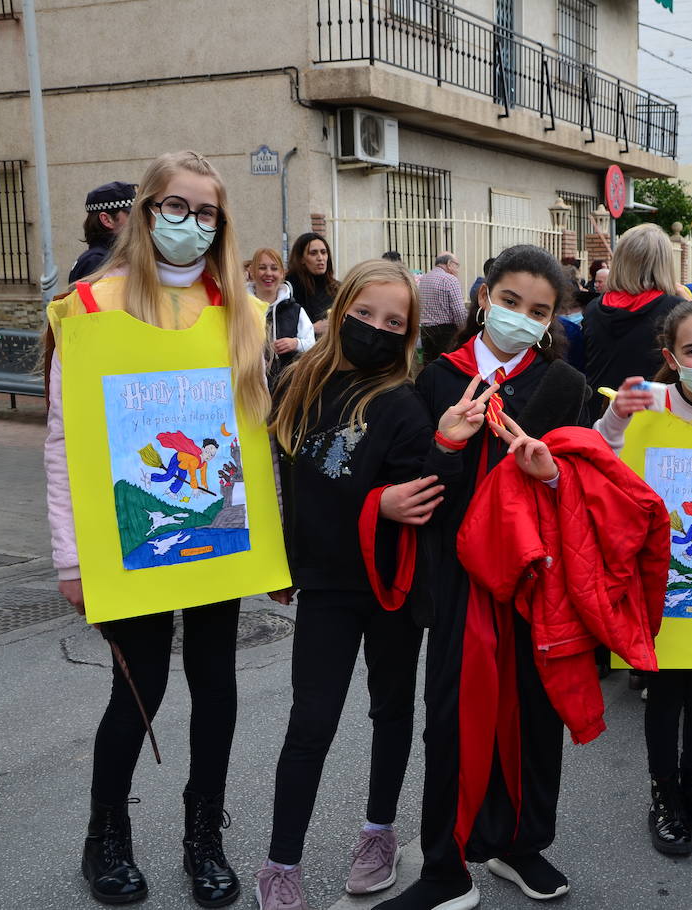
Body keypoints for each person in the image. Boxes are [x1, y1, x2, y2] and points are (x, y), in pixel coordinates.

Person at [45, 150, 271, 907]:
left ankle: (202, 833)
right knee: (134, 691)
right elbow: (61, 443)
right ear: (144, 212)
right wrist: (70, 560)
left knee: (217, 689)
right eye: (176, 207)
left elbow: (253, 436)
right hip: (124, 546)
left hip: (219, 542)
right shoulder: (91, 306)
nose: (192, 224)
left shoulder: (238, 310)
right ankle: (104, 835)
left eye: (207, 212)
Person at [380, 245, 590, 910]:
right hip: (456, 578)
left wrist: (549, 473)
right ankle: (445, 866)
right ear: (482, 296)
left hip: (532, 582)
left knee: (534, 716)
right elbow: (412, 485)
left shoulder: (562, 387)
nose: (521, 318)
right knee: (449, 717)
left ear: (552, 319)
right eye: (510, 302)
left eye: (539, 311)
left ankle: (519, 844)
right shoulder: (436, 378)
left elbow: (580, 492)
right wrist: (446, 445)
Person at [256, 260, 444, 910]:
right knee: (311, 723)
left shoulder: (404, 402)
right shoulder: (295, 381)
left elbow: (421, 493)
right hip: (326, 587)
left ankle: (379, 832)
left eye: (395, 322)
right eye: (366, 315)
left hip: (388, 588)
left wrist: (387, 503)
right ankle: (280, 866)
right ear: (341, 313)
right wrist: (276, 561)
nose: (376, 330)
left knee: (391, 712)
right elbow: (277, 484)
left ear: (409, 333)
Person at [596, 299, 692, 858]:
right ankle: (663, 796)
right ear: (670, 357)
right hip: (655, 585)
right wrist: (616, 419)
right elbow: (600, 453)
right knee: (664, 695)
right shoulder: (645, 406)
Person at [581, 223, 684, 422]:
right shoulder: (675, 309)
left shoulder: (593, 308)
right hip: (652, 417)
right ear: (664, 264)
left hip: (598, 414)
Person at [248, 247, 314, 383]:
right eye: (262, 268)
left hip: (285, 386)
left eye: (274, 268)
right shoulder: (241, 309)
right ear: (252, 272)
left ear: (282, 274)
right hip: (248, 385)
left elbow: (313, 345)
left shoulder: (295, 310)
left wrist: (296, 343)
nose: (268, 273)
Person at [69, 181, 136, 283]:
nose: (138, 220)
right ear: (106, 220)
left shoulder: (104, 257)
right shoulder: (97, 262)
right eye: (131, 215)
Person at [417, 252, 467, 361]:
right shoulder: (450, 279)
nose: (457, 270)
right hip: (446, 333)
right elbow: (459, 312)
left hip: (426, 331)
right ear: (449, 263)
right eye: (456, 265)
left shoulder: (424, 279)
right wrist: (464, 332)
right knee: (445, 367)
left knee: (429, 367)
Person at [287, 233, 338, 336]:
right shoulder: (288, 289)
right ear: (301, 259)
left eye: (324, 252)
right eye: (313, 253)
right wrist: (311, 329)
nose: (320, 258)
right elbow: (281, 328)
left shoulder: (337, 288)